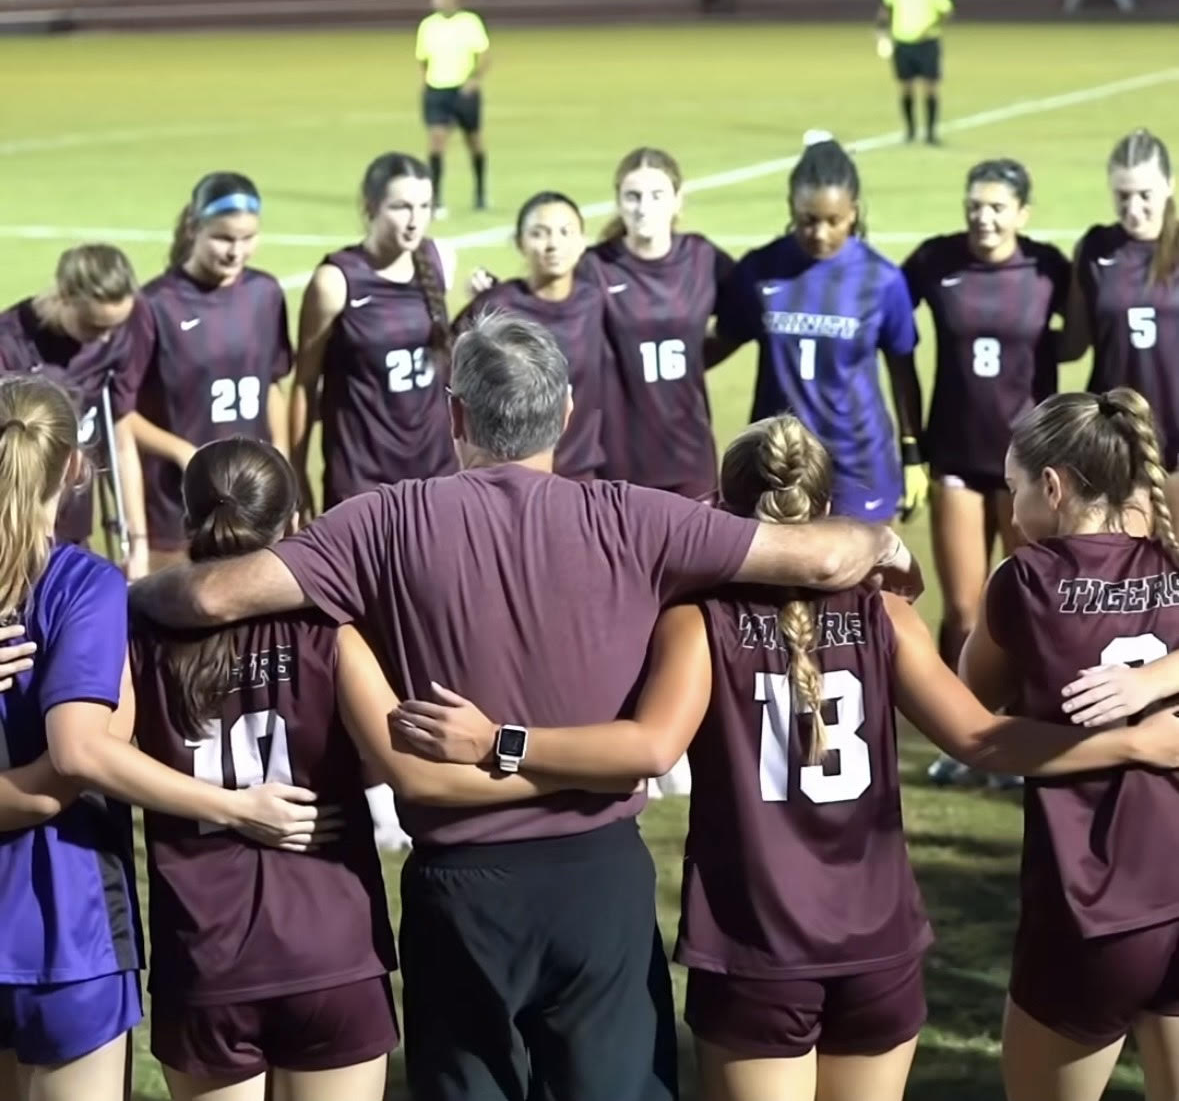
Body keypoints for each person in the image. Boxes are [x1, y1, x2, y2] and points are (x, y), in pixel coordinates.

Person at [129, 312, 922, 1101]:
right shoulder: (635, 517)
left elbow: (206, 594)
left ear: (455, 416)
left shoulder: (380, 522)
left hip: (460, 890)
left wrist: (127, 591)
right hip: (600, 880)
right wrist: (882, 541)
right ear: (567, 412)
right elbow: (822, 553)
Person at [393, 411, 1179, 1101]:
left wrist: (499, 739)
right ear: (827, 508)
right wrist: (1135, 741)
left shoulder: (698, 623)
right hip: (877, 945)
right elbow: (979, 736)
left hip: (756, 946)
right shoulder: (886, 615)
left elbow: (647, 747)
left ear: (726, 512)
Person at [0, 376, 326, 1101]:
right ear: (77, 465)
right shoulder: (83, 585)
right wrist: (239, 807)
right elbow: (75, 760)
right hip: (64, 927)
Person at [130, 437, 398, 1101]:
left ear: (188, 521)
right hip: (331, 947)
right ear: (293, 521)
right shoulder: (332, 628)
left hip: (205, 955)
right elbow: (392, 757)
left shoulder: (140, 633)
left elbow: (94, 754)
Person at [960, 387, 1179, 1101]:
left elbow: (972, 711)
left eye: (1015, 486)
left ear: (1051, 487)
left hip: (1090, 909)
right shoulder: (1172, 556)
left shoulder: (1023, 580)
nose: (1011, 504)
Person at [903, 159, 1070, 786]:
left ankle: (1024, 740)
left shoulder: (1049, 267)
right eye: (975, 204)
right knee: (967, 611)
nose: (984, 216)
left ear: (1023, 213)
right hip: (956, 457)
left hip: (1031, 463)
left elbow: (1079, 340)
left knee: (1034, 606)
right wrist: (910, 438)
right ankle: (964, 738)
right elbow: (891, 323)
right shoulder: (935, 261)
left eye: (998, 207)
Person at [708, 137, 926, 525]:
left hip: (860, 465)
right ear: (792, 207)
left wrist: (912, 452)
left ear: (854, 213)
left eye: (833, 221)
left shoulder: (881, 279)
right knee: (781, 585)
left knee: (870, 583)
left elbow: (902, 370)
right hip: (779, 463)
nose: (820, 233)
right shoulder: (760, 271)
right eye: (809, 220)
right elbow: (720, 342)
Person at [128, 172, 293, 572]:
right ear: (194, 227)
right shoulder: (155, 305)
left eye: (247, 238)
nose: (236, 251)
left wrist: (283, 465)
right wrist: (185, 453)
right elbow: (123, 414)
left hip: (254, 502)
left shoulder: (266, 294)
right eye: (223, 238)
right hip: (178, 509)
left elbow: (270, 385)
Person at [290, 151, 457, 519]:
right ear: (370, 206)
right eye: (401, 207)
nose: (415, 221)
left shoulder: (441, 259)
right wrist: (297, 474)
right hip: (361, 481)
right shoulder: (335, 282)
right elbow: (304, 383)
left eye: (425, 206)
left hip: (437, 474)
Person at [593, 147, 734, 504]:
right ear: (619, 201)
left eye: (657, 196)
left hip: (689, 456)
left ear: (677, 201)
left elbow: (751, 315)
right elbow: (543, 309)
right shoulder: (595, 268)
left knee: (698, 559)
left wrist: (697, 357)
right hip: (618, 460)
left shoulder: (702, 258)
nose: (643, 207)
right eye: (633, 196)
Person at [0, 244, 149, 578]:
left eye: (115, 326)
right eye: (94, 326)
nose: (106, 338)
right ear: (64, 295)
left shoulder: (124, 330)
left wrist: (137, 542)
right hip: (14, 536)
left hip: (74, 534)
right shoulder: (8, 345)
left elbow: (120, 438)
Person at [1060, 129, 1179, 512]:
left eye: (1144, 195)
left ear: (1169, 185)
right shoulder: (1095, 248)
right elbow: (1074, 343)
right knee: (1122, 566)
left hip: (1176, 440)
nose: (1133, 208)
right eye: (1122, 196)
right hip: (1113, 442)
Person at [455, 191, 607, 481]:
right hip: (507, 477)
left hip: (581, 476)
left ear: (582, 242)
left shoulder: (598, 301)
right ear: (519, 242)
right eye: (539, 233)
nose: (553, 245)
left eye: (565, 232)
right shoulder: (496, 307)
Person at [415, 0, 490, 217]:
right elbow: (422, 59)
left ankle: (480, 193)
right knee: (436, 143)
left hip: (463, 91)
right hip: (437, 91)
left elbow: (484, 56)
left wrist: (473, 81)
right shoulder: (427, 25)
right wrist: (426, 82)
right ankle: (436, 199)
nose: (439, 0)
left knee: (474, 142)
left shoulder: (470, 22)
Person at [876, 0, 953, 145]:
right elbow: (886, 8)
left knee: (930, 87)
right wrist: (880, 30)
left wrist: (930, 28)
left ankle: (930, 133)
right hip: (903, 43)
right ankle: (909, 131)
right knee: (905, 87)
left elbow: (946, 11)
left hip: (927, 43)